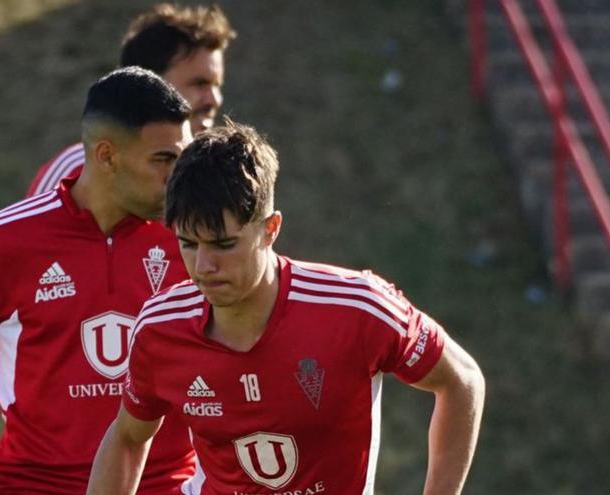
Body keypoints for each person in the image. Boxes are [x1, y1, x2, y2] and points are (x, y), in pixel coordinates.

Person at [87, 121, 486, 494]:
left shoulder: (358, 308)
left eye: (224, 244)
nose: (204, 266)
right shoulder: (160, 329)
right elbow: (127, 437)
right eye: (188, 244)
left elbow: (461, 381)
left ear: (270, 229)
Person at [0, 67, 196, 495]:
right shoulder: (7, 238)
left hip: (163, 484)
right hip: (35, 484)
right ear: (106, 156)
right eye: (163, 160)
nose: (177, 176)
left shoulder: (196, 238)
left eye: (182, 157)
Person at [27, 3, 236, 197]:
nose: (215, 99)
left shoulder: (218, 182)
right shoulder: (74, 172)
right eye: (199, 83)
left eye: (217, 85)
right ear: (147, 83)